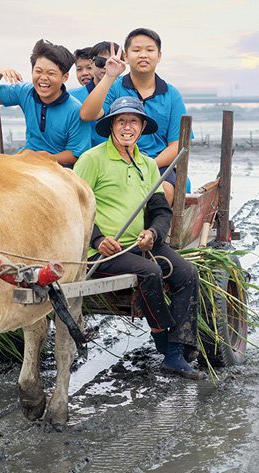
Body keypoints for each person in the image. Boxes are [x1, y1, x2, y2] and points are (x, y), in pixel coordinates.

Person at [74, 96, 205, 380]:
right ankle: (166, 345)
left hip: (141, 244)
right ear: (111, 126)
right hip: (105, 251)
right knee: (151, 272)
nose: (127, 127)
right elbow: (74, 208)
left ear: (142, 126)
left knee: (186, 273)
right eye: (121, 121)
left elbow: (160, 210)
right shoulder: (92, 160)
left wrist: (153, 233)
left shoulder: (147, 164)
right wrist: (97, 239)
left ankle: (180, 347)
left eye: (134, 121)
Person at [80, 28, 190, 203]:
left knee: (165, 192)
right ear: (126, 55)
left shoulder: (171, 94)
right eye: (137, 50)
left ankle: (153, 231)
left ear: (159, 56)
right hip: (114, 160)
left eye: (150, 50)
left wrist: (148, 166)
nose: (143, 55)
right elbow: (88, 114)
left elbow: (177, 144)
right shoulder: (115, 86)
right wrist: (109, 76)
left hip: (157, 163)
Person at [0, 39, 91, 167]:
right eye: (38, 71)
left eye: (51, 73)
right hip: (26, 161)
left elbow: (75, 154)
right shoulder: (26, 92)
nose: (43, 77)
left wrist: (40, 159)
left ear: (64, 77)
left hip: (57, 169)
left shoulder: (75, 110)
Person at [71, 41, 120, 147]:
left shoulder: (125, 90)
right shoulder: (72, 96)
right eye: (101, 62)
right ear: (92, 62)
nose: (107, 66)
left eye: (114, 62)